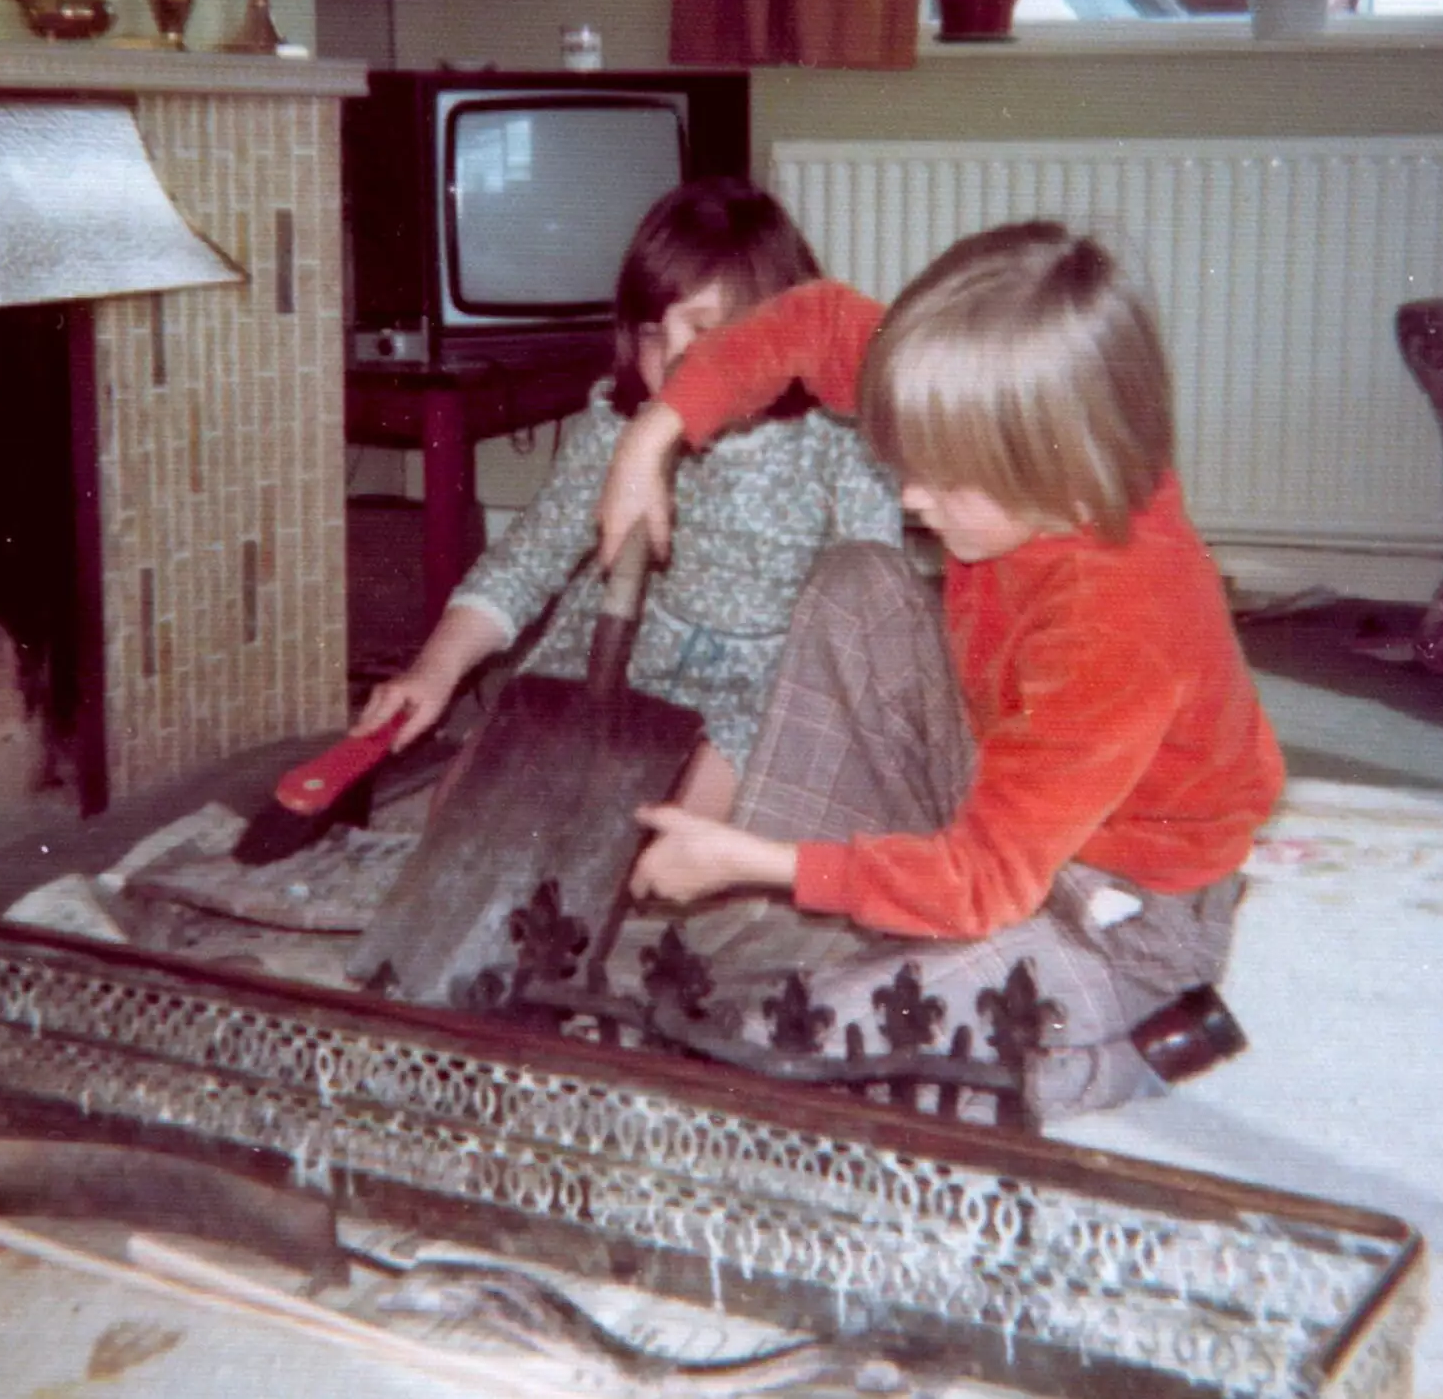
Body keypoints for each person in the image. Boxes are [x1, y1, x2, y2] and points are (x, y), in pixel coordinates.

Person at [595, 220, 1285, 1122]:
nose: (911, 497)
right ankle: (827, 913)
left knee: (785, 1055)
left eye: (939, 479)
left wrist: (757, 862)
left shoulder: (1123, 619)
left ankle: (1132, 1045)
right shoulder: (1025, 432)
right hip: (1006, 789)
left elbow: (984, 880)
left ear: (1062, 482)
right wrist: (652, 436)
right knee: (859, 582)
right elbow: (814, 322)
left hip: (1118, 915)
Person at [354, 177, 902, 818]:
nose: (671, 360)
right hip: (621, 650)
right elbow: (528, 560)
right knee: (468, 807)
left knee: (658, 835)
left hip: (764, 681)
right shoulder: (619, 427)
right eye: (651, 335)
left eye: (705, 331)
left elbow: (869, 600)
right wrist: (435, 669)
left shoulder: (838, 440)